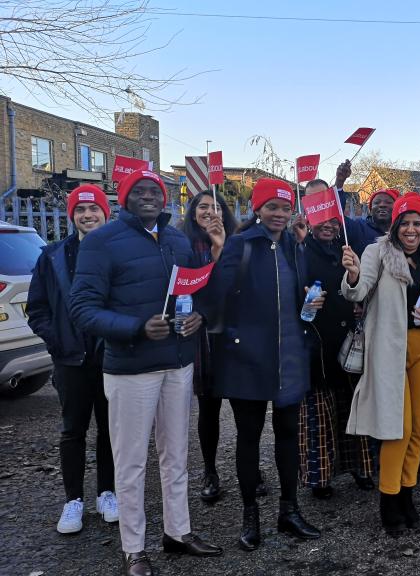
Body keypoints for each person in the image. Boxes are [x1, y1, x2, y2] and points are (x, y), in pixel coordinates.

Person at [70, 170, 222, 576]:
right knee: (132, 459)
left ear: (165, 196)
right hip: (131, 367)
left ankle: (178, 531)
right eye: (139, 191)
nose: (149, 196)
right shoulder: (102, 242)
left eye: (155, 190)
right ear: (124, 198)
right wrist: (136, 327)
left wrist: (200, 317)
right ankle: (134, 548)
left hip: (177, 362)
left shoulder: (177, 240)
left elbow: (197, 292)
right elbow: (82, 308)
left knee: (176, 454)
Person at [209, 178, 323, 551]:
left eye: (285, 207)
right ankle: (250, 515)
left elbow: (298, 295)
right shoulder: (239, 245)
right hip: (247, 358)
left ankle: (288, 511)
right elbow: (217, 297)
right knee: (249, 437)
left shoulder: (293, 245)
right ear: (257, 209)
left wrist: (309, 303)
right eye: (272, 206)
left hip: (289, 354)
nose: (279, 214)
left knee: (289, 435)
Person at [340, 192, 420, 536]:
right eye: (404, 223)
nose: (411, 229)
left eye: (417, 223)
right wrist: (351, 275)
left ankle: (407, 495)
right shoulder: (376, 252)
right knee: (398, 428)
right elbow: (358, 292)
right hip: (389, 350)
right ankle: (388, 499)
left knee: (418, 427)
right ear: (394, 226)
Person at [27, 185, 117, 534]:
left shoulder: (114, 255)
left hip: (109, 356)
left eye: (93, 209)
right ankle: (73, 500)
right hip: (70, 359)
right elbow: (37, 308)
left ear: (104, 214)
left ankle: (107, 493)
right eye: (80, 210)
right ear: (72, 216)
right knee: (72, 430)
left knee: (110, 430)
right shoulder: (51, 256)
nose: (87, 215)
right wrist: (56, 340)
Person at [299, 178, 375, 500]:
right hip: (317, 345)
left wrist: (359, 298)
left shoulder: (348, 248)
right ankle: (321, 476)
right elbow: (292, 298)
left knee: (353, 409)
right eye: (320, 219)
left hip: (349, 342)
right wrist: (303, 305)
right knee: (321, 414)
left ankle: (360, 467)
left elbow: (363, 289)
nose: (327, 225)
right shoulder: (299, 252)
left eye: (332, 218)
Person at [179, 190, 238, 504]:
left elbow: (236, 284)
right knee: (209, 409)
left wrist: (222, 248)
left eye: (216, 206)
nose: (209, 211)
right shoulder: (183, 245)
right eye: (203, 206)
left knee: (246, 407)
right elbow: (190, 290)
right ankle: (210, 470)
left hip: (234, 330)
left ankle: (250, 470)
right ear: (192, 211)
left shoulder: (236, 240)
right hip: (203, 333)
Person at [333, 161, 399, 255]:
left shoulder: (402, 231)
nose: (382, 205)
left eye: (388, 202)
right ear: (370, 210)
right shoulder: (359, 228)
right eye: (377, 202)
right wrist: (339, 182)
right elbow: (335, 216)